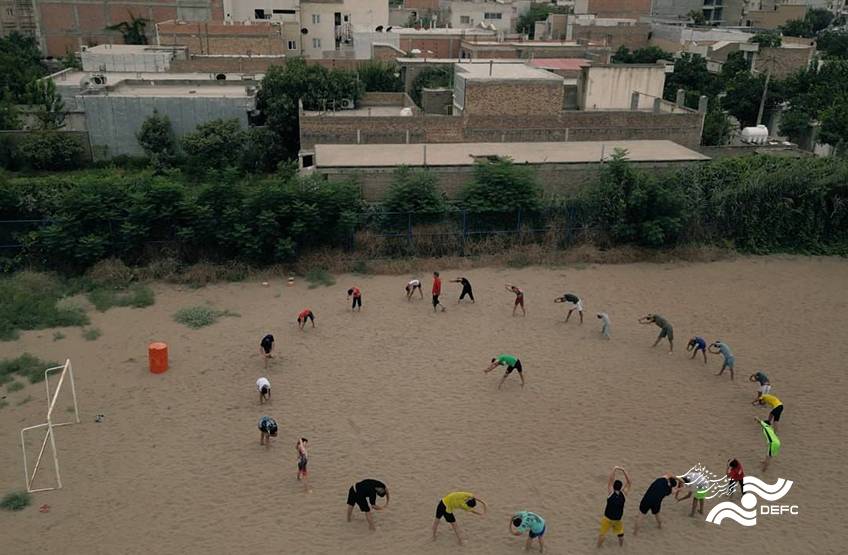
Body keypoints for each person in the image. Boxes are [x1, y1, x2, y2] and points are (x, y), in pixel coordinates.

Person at [598, 466, 631, 548]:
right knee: (620, 535)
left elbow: (610, 480)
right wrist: (624, 470)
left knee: (602, 534)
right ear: (621, 487)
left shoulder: (610, 493)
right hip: (617, 519)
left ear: (613, 486)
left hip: (607, 518)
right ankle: (621, 546)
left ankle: (598, 547)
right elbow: (629, 482)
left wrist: (614, 469)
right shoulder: (623, 494)